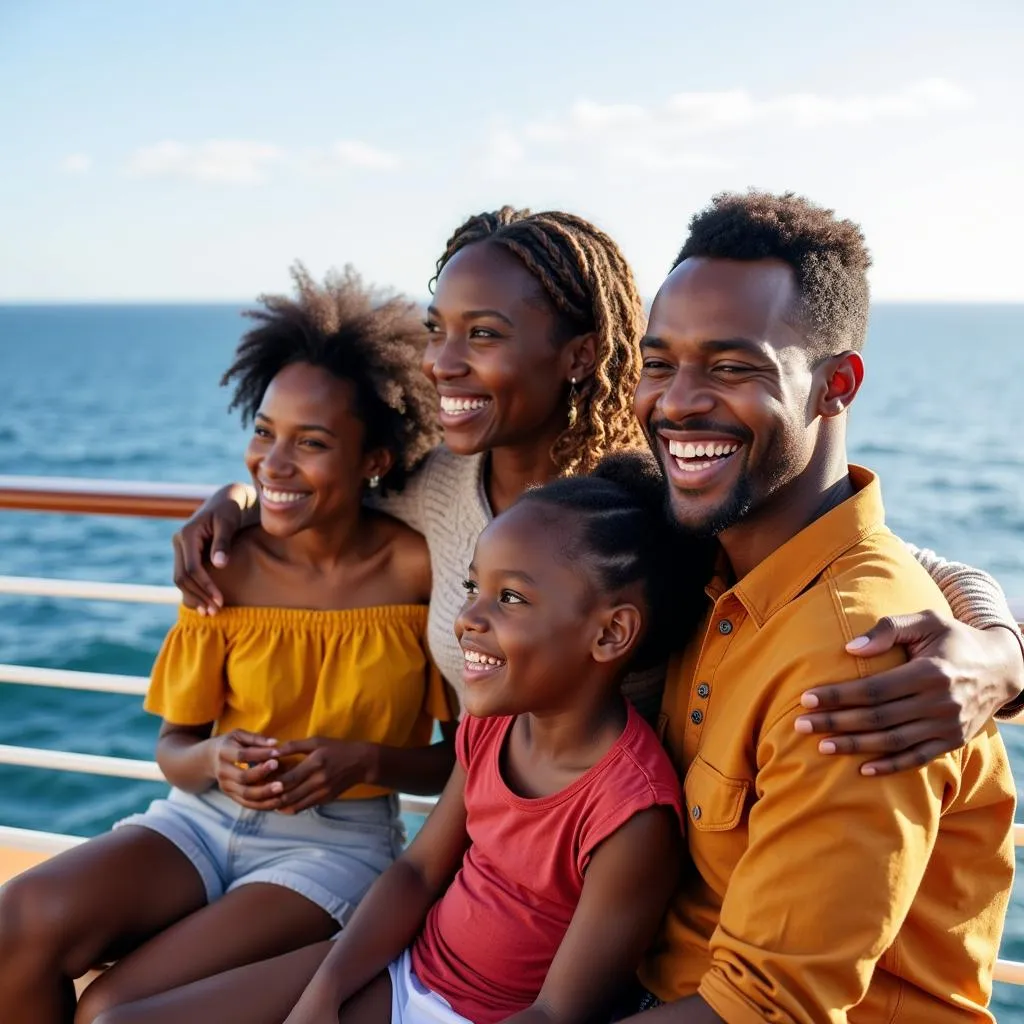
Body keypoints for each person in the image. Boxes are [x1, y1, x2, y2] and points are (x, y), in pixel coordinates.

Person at [172, 206, 1024, 772]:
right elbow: (311, 479)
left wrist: (1000, 653)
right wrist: (236, 503)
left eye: (484, 335)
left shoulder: (651, 493)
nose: (443, 363)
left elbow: (893, 556)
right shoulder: (431, 489)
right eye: (437, 333)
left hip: (633, 880)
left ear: (579, 354)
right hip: (479, 861)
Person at [90, 452, 694, 1024]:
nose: (468, 619)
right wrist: (323, 994)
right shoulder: (496, 724)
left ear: (612, 633)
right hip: (405, 972)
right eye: (470, 588)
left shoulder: (630, 815)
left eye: (509, 597)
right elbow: (417, 875)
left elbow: (558, 1012)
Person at [0, 266, 455, 1024]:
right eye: (264, 433)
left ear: (374, 459)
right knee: (17, 922)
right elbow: (174, 748)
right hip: (200, 819)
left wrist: (368, 762)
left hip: (336, 848)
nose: (273, 466)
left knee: (111, 1010)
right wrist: (214, 759)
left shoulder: (419, 569)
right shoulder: (226, 564)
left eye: (311, 443)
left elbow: (465, 762)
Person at [623, 191, 1016, 1021]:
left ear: (836, 384)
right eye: (658, 364)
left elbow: (767, 1008)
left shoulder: (860, 657)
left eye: (732, 368)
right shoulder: (704, 560)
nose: (678, 401)